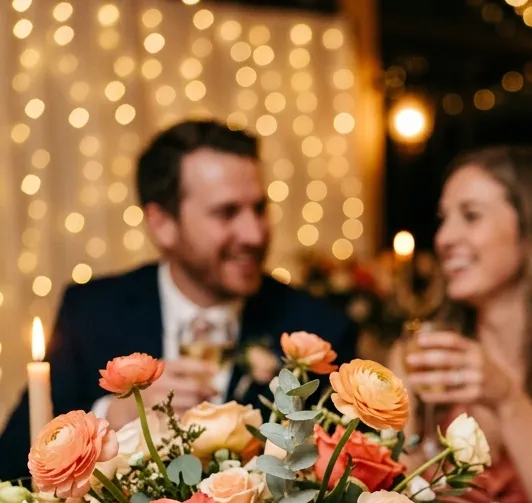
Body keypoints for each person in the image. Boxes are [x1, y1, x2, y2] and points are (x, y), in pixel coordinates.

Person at [0, 119, 355, 483]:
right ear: (162, 224)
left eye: (260, 208)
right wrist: (111, 418)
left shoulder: (318, 330)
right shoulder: (92, 312)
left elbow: (349, 478)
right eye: (227, 212)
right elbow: (11, 468)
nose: (254, 233)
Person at [391, 146, 532, 503]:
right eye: (444, 219)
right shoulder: (420, 355)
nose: (444, 238)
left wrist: (508, 401)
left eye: (471, 216)